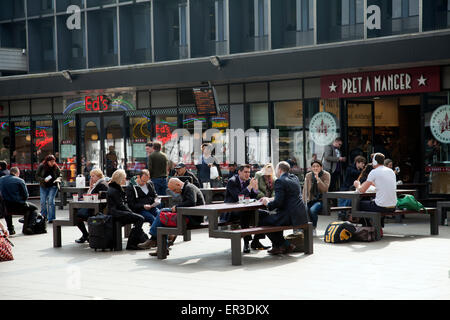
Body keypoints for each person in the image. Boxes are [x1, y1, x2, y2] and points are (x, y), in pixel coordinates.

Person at [141, 178, 205, 255]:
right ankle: (161, 246)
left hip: (193, 218)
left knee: (162, 213)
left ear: (178, 184)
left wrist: (177, 207)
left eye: (174, 190)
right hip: (189, 215)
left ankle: (154, 240)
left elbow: (191, 202)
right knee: (162, 215)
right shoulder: (186, 188)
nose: (175, 192)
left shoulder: (189, 188)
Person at [258, 161, 309, 255]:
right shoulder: (295, 178)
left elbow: (278, 202)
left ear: (280, 170)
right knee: (272, 220)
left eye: (276, 169)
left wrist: (267, 204)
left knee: (262, 220)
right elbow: (287, 196)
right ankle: (278, 247)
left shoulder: (279, 181)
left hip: (289, 216)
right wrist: (269, 199)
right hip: (300, 215)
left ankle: (284, 244)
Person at [224, 164, 268, 253]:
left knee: (264, 213)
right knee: (244, 213)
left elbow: (252, 196)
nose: (248, 174)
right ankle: (246, 242)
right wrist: (249, 187)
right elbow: (237, 198)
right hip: (231, 210)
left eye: (249, 172)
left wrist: (255, 189)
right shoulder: (232, 181)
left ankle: (256, 240)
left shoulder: (248, 181)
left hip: (246, 209)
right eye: (245, 172)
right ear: (239, 172)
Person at [353, 153, 396, 226]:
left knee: (358, 204)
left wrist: (357, 185)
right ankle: (377, 227)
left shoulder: (374, 172)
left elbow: (361, 190)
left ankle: (367, 227)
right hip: (393, 206)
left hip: (381, 206)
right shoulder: (391, 171)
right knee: (372, 202)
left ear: (375, 162)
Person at [0, 167, 38, 235]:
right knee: (34, 209)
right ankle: (29, 227)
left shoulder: (1, 179)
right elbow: (26, 195)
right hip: (19, 205)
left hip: (5, 206)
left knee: (7, 211)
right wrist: (23, 201)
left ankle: (11, 229)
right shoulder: (20, 180)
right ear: (17, 173)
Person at [74, 169, 109, 244]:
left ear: (99, 176)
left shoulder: (101, 184)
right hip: (94, 207)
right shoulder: (98, 184)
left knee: (75, 216)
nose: (91, 178)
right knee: (77, 211)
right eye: (90, 176)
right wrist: (90, 187)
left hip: (96, 209)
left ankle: (86, 235)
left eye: (93, 176)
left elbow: (93, 197)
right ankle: (86, 235)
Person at [107, 169, 145, 234]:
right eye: (124, 178)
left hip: (117, 212)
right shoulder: (114, 190)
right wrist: (130, 212)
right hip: (116, 214)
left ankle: (134, 239)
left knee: (139, 218)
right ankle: (132, 241)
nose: (125, 180)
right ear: (120, 179)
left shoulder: (114, 188)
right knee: (140, 218)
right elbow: (121, 205)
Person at [302, 160, 330, 236]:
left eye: (317, 166)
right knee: (304, 209)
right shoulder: (308, 175)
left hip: (320, 200)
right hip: (310, 199)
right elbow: (305, 189)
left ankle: (313, 228)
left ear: (321, 167)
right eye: (313, 166)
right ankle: (306, 229)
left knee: (312, 210)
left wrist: (318, 179)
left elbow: (325, 189)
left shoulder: (326, 175)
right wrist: (304, 200)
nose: (315, 168)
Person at [35, 154, 61, 223]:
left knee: (51, 201)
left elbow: (60, 175)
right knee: (43, 202)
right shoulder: (41, 166)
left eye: (54, 161)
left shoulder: (56, 166)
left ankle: (51, 218)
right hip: (44, 186)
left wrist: (58, 179)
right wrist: (43, 180)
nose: (53, 163)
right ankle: (44, 217)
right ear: (47, 161)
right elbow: (36, 176)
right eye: (51, 161)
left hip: (53, 185)